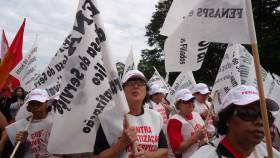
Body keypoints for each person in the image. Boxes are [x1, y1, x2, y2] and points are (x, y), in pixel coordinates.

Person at [93, 70, 168, 158]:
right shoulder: (108, 119)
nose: (136, 86)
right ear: (122, 91)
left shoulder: (155, 117)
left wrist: (147, 155)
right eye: (130, 83)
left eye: (140, 83)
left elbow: (164, 151)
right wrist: (122, 143)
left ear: (146, 90)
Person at [190, 85, 280, 158]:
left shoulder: (269, 152)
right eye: (249, 113)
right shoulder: (206, 155)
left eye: (266, 115)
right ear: (227, 119)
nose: (260, 122)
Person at [5, 88, 54, 158]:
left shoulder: (56, 120)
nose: (36, 107)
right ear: (29, 106)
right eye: (32, 104)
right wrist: (21, 143)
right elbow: (17, 155)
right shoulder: (20, 126)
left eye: (39, 104)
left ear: (46, 103)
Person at [167, 89, 215, 158]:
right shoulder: (175, 120)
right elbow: (177, 150)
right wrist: (195, 137)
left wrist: (206, 135)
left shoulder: (196, 114)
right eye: (186, 101)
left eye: (192, 101)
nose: (191, 103)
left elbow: (202, 136)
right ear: (178, 104)